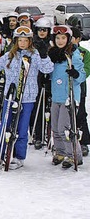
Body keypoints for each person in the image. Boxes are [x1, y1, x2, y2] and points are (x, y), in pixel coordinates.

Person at [0, 26, 53, 169]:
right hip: (11, 96)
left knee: (22, 129)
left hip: (28, 98)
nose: (22, 43)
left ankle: (19, 157)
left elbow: (47, 69)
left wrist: (44, 55)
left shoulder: (34, 55)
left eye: (25, 40)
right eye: (20, 40)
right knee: (5, 126)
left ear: (30, 41)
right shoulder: (10, 55)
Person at [47, 25, 84, 169]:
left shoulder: (73, 54)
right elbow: (50, 73)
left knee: (65, 128)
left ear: (68, 39)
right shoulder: (53, 54)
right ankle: (60, 152)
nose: (60, 41)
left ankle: (74, 154)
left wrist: (76, 74)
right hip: (56, 95)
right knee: (55, 127)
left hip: (69, 96)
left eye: (63, 38)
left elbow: (81, 76)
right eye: (57, 38)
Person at [30, 18, 53, 149]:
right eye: (40, 30)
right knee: (37, 108)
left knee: (49, 108)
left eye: (45, 30)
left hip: (50, 79)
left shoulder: (52, 43)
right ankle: (37, 135)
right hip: (36, 79)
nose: (42, 32)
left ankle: (49, 134)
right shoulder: (33, 44)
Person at [70, 26, 90, 156]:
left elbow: (87, 69)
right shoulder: (61, 51)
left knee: (80, 113)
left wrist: (78, 75)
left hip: (79, 86)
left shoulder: (84, 52)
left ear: (78, 39)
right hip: (64, 87)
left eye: (72, 38)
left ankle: (83, 142)